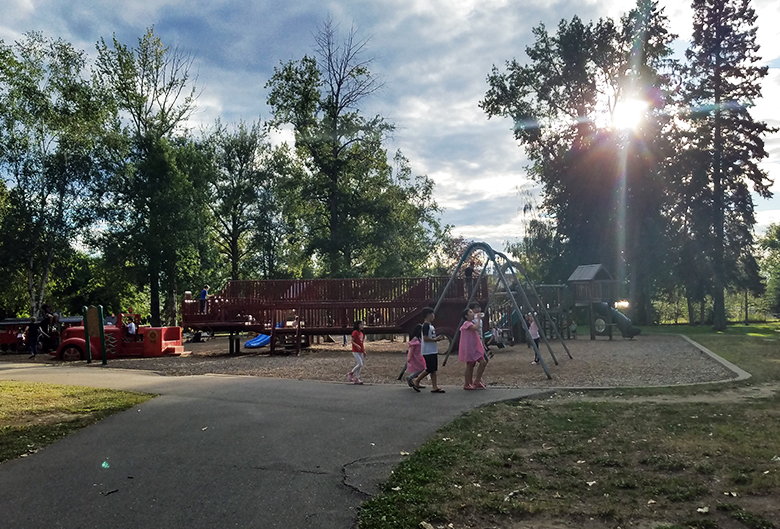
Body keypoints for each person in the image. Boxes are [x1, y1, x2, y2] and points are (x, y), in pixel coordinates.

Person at [411, 308, 447, 393]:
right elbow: (425, 338)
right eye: (432, 314)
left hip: (432, 350)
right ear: (428, 315)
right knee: (430, 368)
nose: (434, 316)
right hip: (428, 350)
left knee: (433, 369)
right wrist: (436, 339)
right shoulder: (425, 326)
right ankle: (416, 380)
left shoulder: (430, 326)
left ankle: (434, 386)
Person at [459, 307, 488, 390]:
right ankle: (467, 383)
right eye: (470, 312)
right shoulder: (467, 323)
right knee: (470, 365)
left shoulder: (470, 323)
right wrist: (478, 319)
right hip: (470, 348)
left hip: (474, 348)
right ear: (466, 315)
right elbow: (476, 328)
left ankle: (476, 380)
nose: (473, 314)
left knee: (482, 362)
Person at [405, 324, 426, 392]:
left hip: (419, 355)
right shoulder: (415, 338)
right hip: (415, 356)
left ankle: (416, 382)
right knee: (422, 368)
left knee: (420, 368)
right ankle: (411, 377)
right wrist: (410, 356)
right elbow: (411, 348)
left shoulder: (419, 338)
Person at [347, 320, 366, 385]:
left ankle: (357, 378)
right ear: (357, 325)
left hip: (360, 350)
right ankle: (351, 373)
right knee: (360, 364)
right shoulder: (355, 332)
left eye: (362, 325)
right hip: (355, 350)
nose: (362, 326)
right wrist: (356, 345)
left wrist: (363, 351)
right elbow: (352, 341)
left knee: (359, 365)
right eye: (361, 325)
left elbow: (362, 343)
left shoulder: (362, 334)